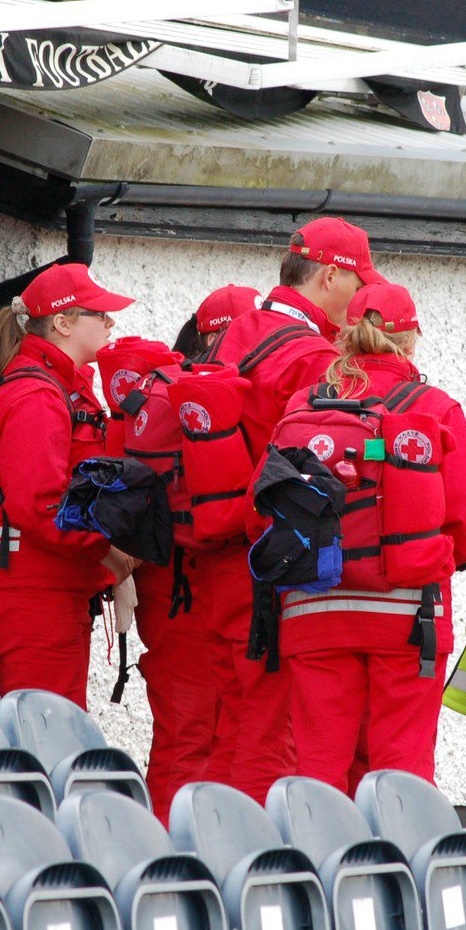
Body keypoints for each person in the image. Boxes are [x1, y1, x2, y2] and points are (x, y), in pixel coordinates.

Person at [196, 216, 384, 802]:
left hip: (220, 556)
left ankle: (219, 868)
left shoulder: (242, 330)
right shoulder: (309, 357)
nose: (362, 304)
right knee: (270, 734)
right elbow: (342, 460)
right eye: (359, 287)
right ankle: (257, 879)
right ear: (330, 275)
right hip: (272, 566)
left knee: (226, 730)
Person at [277, 282, 466, 790]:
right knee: (402, 769)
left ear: (343, 339)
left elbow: (259, 507)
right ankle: (400, 869)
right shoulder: (432, 406)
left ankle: (321, 868)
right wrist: (423, 556)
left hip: (314, 609)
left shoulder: (301, 405)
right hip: (407, 614)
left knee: (319, 769)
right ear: (411, 340)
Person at [0, 262, 137, 708]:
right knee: (48, 735)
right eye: (98, 314)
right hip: (31, 593)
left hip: (41, 586)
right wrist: (108, 552)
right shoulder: (36, 396)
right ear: (62, 324)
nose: (110, 322)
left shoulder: (53, 387)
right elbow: (39, 505)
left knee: (52, 733)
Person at [134, 284, 261, 820]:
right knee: (204, 733)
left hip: (160, 582)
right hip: (195, 582)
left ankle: (168, 852)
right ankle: (187, 859)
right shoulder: (202, 397)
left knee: (180, 735)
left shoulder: (153, 392)